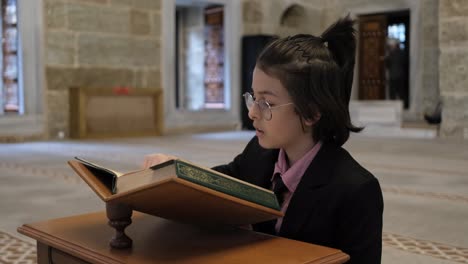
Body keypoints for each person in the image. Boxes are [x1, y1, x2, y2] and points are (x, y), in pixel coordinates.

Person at [143, 16, 383, 264]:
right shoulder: (259, 154)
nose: (252, 113)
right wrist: (175, 171)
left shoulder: (356, 190)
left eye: (266, 103)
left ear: (311, 112)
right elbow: (220, 183)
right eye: (253, 97)